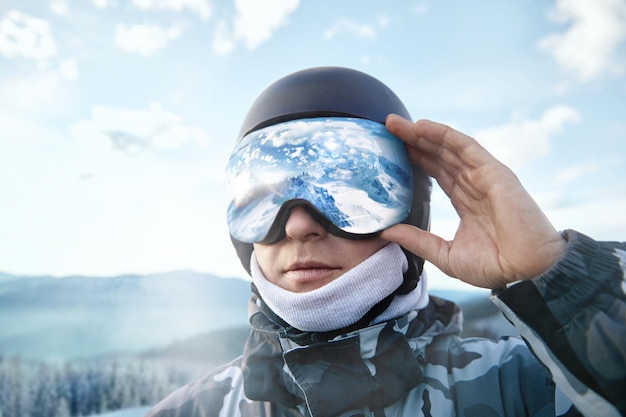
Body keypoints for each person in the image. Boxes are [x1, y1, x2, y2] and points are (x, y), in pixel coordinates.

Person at [145, 67, 625, 417]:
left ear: (414, 209)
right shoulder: (196, 411)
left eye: (349, 192)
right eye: (264, 197)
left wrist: (562, 282)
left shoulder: (525, 387)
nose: (296, 227)